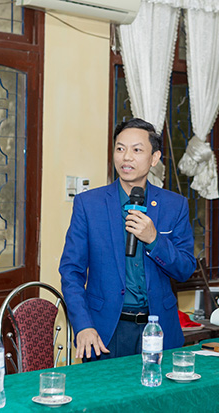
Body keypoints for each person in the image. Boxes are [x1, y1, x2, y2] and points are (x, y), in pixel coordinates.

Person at [59, 118, 196, 361]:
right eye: (120, 149)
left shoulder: (174, 206)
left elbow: (185, 269)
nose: (126, 157)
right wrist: (83, 325)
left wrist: (154, 240)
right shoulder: (89, 205)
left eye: (137, 150)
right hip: (105, 332)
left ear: (154, 158)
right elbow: (71, 272)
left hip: (158, 330)